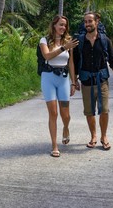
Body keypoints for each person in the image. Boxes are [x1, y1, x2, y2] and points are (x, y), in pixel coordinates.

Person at [73, 11, 113, 151]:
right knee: (89, 112)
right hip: (86, 81)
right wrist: (74, 80)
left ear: (96, 22)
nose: (87, 24)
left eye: (90, 21)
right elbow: (75, 63)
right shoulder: (79, 42)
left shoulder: (105, 40)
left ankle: (104, 136)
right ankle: (93, 136)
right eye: (85, 21)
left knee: (104, 110)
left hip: (102, 80)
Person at [39, 15, 79, 157]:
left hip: (63, 79)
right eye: (61, 25)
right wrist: (64, 48)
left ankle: (66, 128)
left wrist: (74, 82)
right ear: (54, 25)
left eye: (65, 25)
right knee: (53, 113)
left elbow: (71, 63)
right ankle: (54, 145)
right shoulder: (44, 40)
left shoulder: (68, 41)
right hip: (48, 78)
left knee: (65, 114)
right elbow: (47, 56)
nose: (63, 28)